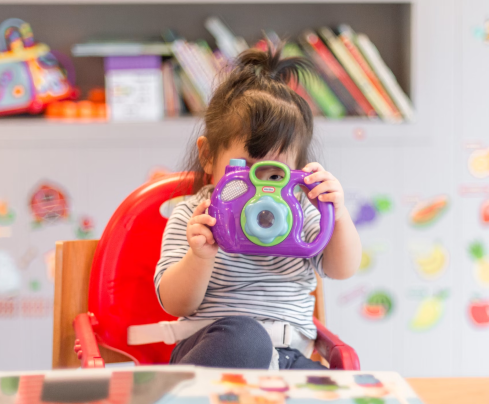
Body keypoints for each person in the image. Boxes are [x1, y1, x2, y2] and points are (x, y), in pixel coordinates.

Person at [154, 41, 362, 370]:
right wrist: (199, 256)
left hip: (290, 356)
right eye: (246, 169)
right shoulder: (195, 216)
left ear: (296, 170)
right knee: (246, 338)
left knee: (336, 391)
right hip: (218, 349)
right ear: (209, 156)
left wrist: (337, 215)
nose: (259, 188)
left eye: (273, 173)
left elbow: (342, 268)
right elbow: (174, 302)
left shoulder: (300, 212)